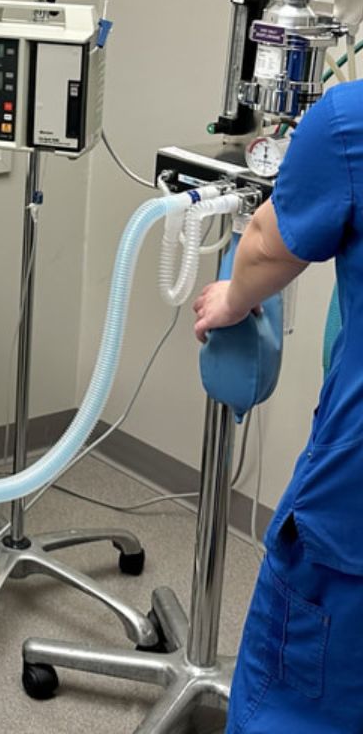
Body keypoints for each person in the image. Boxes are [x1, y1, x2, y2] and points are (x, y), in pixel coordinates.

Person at [193, 79, 363, 733]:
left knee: (305, 705)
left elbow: (267, 241)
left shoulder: (348, 120)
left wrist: (234, 298)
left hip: (351, 512)